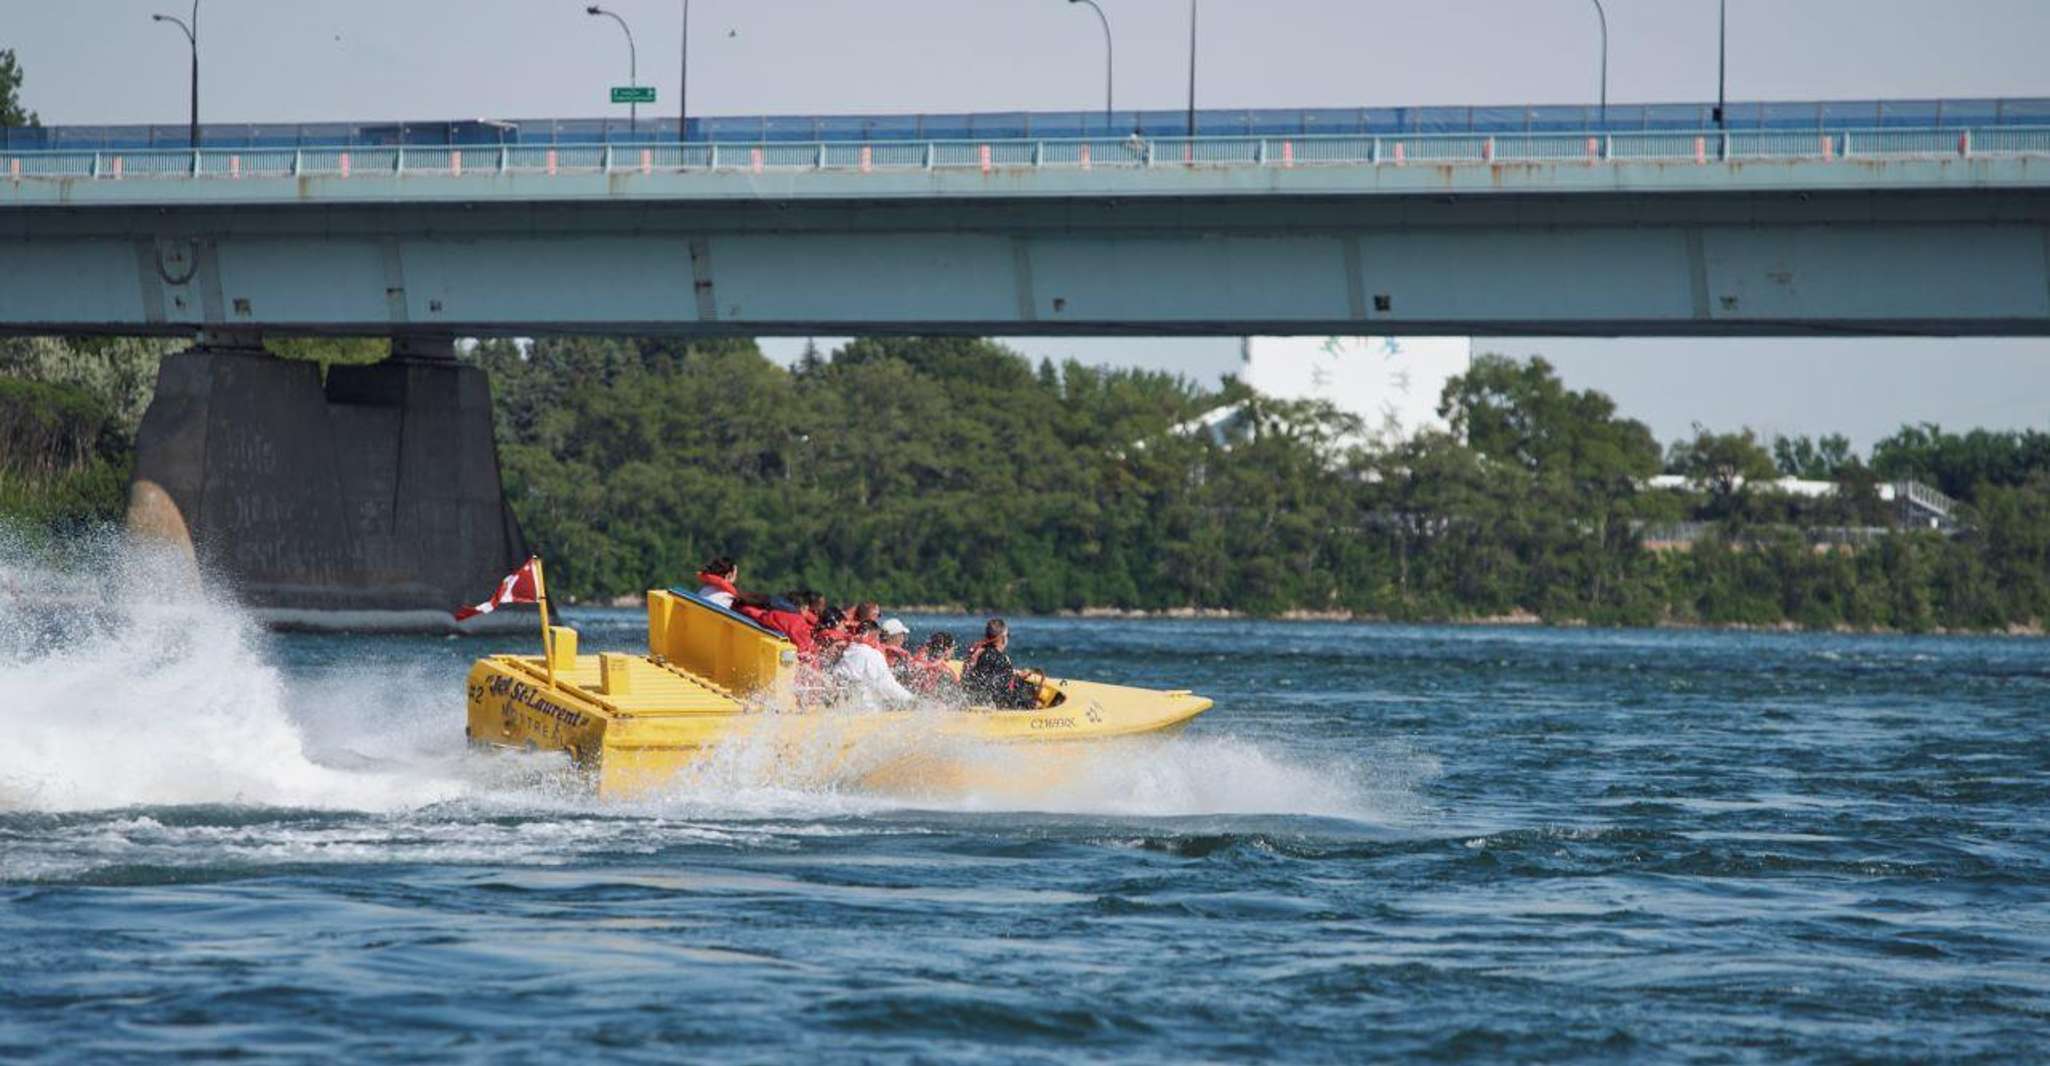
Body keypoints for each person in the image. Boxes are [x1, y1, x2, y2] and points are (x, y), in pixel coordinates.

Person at [830, 620, 916, 708]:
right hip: (864, 707)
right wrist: (912, 700)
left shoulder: (850, 649)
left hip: (844, 700)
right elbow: (889, 686)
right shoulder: (874, 655)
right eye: (901, 635)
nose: (903, 638)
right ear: (874, 636)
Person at [961, 618, 1039, 709]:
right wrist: (1018, 678)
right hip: (991, 705)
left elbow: (986, 676)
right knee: (1027, 687)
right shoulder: (999, 658)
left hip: (973, 698)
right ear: (1002, 638)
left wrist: (1016, 674)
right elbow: (1000, 687)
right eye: (1008, 635)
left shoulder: (979, 652)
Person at [901, 631, 959, 697]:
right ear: (946, 649)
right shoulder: (944, 670)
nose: (953, 652)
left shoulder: (918, 656)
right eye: (952, 649)